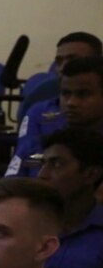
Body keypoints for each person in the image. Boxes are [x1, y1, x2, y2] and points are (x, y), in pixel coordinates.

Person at [7, 47, 103, 177]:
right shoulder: (42, 142)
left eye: (83, 94)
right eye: (65, 94)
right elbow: (10, 185)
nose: (71, 102)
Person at [36, 128, 103, 268]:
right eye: (43, 164)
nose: (42, 175)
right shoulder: (26, 224)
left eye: (56, 164)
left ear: (90, 174)